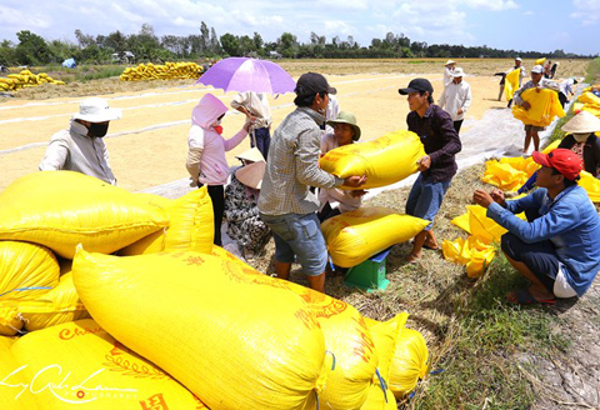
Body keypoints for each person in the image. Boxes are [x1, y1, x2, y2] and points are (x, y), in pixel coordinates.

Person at [258, 72, 366, 293]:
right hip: (290, 208)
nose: (329, 102)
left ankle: (283, 288)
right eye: (327, 97)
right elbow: (307, 174)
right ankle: (318, 303)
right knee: (317, 255)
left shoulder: (291, 119)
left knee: (285, 248)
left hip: (270, 204)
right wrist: (342, 181)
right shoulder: (309, 128)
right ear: (318, 98)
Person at [473, 148, 600, 305]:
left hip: (572, 279)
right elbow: (518, 205)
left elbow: (529, 233)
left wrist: (492, 207)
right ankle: (543, 275)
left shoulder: (571, 205)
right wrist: (503, 204)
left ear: (558, 178)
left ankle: (544, 290)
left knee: (511, 241)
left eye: (543, 168)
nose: (537, 171)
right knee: (532, 208)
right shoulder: (550, 192)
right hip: (562, 253)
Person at [398, 78, 462, 262]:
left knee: (424, 213)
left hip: (441, 171)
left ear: (425, 95)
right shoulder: (412, 118)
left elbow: (455, 144)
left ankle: (416, 251)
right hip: (425, 170)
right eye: (407, 95)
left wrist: (432, 158)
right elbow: (413, 143)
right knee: (411, 207)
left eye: (412, 95)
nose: (408, 99)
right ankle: (431, 242)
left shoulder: (440, 116)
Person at [186, 93, 250, 247]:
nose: (220, 120)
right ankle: (214, 248)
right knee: (212, 221)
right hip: (209, 185)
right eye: (218, 117)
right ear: (209, 114)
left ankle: (216, 246)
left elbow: (226, 146)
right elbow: (192, 162)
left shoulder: (210, 130)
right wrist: (198, 177)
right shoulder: (197, 132)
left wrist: (244, 130)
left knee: (216, 218)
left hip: (217, 183)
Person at [39, 97, 121, 185]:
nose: (105, 124)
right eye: (102, 122)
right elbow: (47, 170)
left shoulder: (97, 139)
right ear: (84, 121)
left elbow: (105, 170)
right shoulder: (64, 139)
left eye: (107, 121)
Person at [517, 111, 600, 194]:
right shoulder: (569, 139)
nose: (578, 135)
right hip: (565, 169)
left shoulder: (595, 143)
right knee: (542, 171)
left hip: (585, 175)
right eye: (576, 132)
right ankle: (521, 191)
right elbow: (557, 154)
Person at [318, 111, 365, 222]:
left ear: (352, 132)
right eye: (337, 128)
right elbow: (316, 158)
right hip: (327, 196)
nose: (339, 132)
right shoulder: (329, 140)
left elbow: (365, 175)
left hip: (347, 201)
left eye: (344, 129)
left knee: (327, 227)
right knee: (318, 224)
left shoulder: (358, 151)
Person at [224, 160, 271, 260]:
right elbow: (229, 214)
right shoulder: (235, 189)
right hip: (239, 224)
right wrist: (254, 211)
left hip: (257, 217)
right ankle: (249, 246)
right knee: (259, 224)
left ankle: (259, 240)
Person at [513, 65, 560, 153]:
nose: (533, 75)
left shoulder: (546, 82)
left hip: (541, 113)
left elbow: (558, 88)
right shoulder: (528, 84)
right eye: (532, 73)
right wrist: (522, 102)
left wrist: (543, 87)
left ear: (542, 74)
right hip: (529, 112)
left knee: (534, 132)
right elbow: (516, 94)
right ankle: (525, 150)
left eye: (536, 74)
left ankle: (536, 151)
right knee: (528, 132)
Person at [230, 91, 272, 161]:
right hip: (256, 128)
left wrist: (269, 120)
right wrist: (248, 114)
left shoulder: (263, 90)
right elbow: (234, 103)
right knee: (258, 157)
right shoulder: (247, 91)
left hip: (266, 127)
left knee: (268, 156)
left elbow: (265, 107)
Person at [438, 67, 472, 134]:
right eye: (456, 77)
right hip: (447, 115)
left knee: (455, 134)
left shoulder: (466, 86)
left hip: (458, 116)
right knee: (446, 133)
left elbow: (468, 99)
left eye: (459, 77)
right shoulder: (448, 86)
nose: (458, 78)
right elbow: (442, 98)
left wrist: (463, 109)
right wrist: (438, 109)